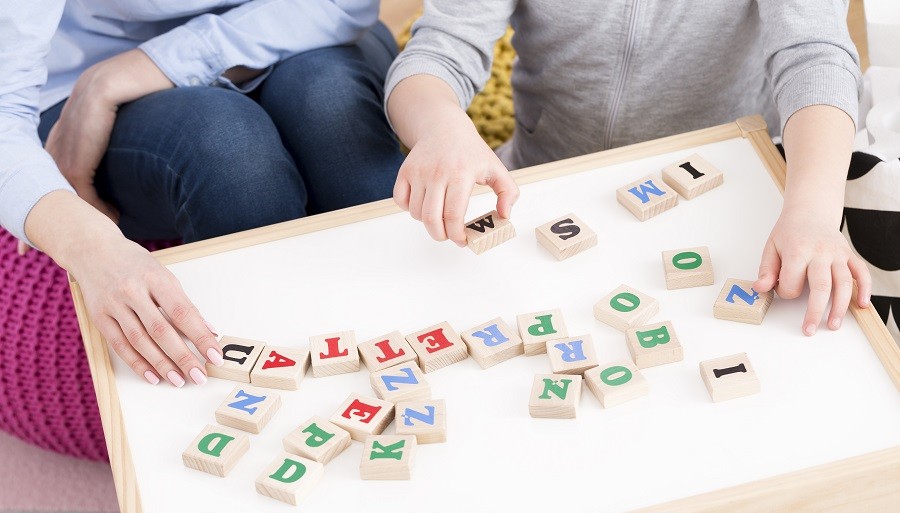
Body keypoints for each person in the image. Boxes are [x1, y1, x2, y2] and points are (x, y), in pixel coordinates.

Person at [384, 0, 872, 333]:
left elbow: (816, 55)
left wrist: (812, 212)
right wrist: (440, 125)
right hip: (549, 185)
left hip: (715, 197)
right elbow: (436, 51)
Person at [0, 1, 404, 388]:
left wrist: (124, 75)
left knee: (330, 109)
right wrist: (84, 243)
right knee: (227, 150)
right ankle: (263, 400)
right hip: (81, 73)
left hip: (305, 21)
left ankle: (407, 355)